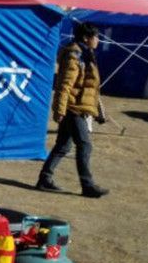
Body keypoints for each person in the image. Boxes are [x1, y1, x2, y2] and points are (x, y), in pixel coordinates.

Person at [36, 21, 109, 198]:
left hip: (79, 107)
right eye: (95, 36)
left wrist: (98, 111)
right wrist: (59, 110)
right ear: (86, 38)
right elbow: (65, 84)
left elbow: (90, 87)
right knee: (85, 145)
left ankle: (45, 178)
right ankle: (87, 185)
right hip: (72, 108)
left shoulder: (86, 54)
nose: (98, 40)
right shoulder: (75, 56)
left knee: (63, 146)